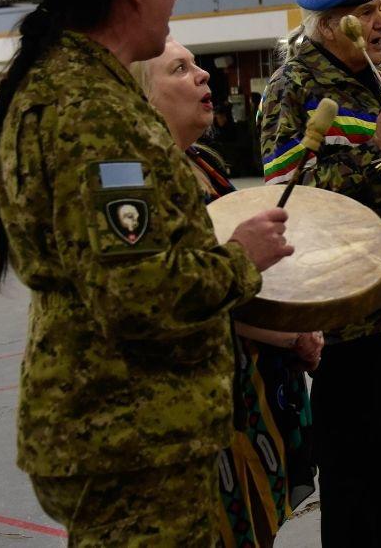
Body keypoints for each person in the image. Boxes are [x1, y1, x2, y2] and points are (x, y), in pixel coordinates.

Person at [0, 0, 292, 545]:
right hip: (131, 433)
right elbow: (137, 292)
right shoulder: (94, 114)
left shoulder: (58, 87)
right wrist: (242, 256)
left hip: (116, 425)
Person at [258, 0, 381, 546]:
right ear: (331, 25)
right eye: (367, 14)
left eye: (378, 10)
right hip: (347, 305)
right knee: (355, 460)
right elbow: (286, 194)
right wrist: (375, 154)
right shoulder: (292, 86)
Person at [137, 38, 322, 547]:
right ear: (142, 97)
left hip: (249, 389)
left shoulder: (203, 161)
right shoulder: (147, 183)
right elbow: (182, 296)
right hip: (204, 402)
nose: (203, 76)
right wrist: (289, 336)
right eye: (180, 69)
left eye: (197, 65)